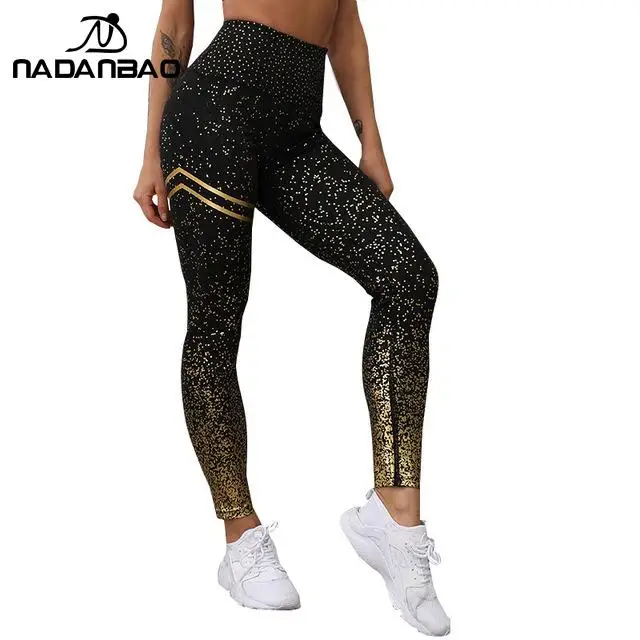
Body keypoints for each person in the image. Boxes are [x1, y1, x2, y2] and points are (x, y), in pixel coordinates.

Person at [133, 0, 449, 635]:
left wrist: (370, 141)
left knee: (409, 279)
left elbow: (344, 24)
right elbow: (175, 24)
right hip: (213, 111)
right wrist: (150, 152)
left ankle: (394, 516)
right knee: (217, 320)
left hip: (297, 128)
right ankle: (240, 535)